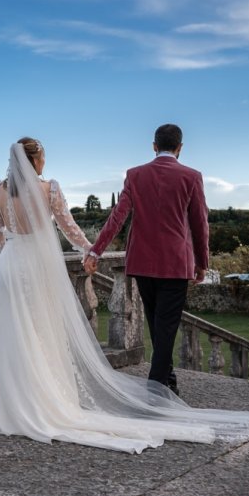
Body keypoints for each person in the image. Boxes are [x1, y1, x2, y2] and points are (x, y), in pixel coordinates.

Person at [0, 138, 249, 454]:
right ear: (35, 160)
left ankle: (7, 400)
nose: (45, 162)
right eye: (43, 156)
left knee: (13, 332)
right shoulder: (50, 189)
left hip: (11, 266)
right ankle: (56, 398)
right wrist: (89, 250)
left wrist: (11, 258)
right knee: (44, 329)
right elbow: (69, 227)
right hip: (43, 266)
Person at [84, 124, 207, 397]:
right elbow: (200, 224)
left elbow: (118, 217)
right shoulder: (192, 177)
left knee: (157, 325)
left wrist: (96, 251)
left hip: (142, 263)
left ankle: (167, 378)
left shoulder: (135, 175)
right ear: (180, 148)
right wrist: (202, 262)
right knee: (164, 327)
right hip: (176, 264)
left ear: (154, 146)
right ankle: (155, 389)